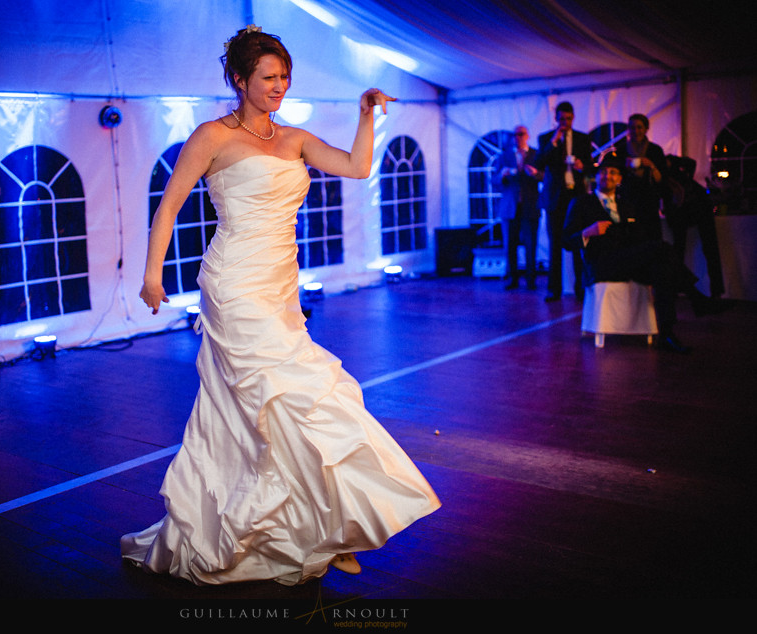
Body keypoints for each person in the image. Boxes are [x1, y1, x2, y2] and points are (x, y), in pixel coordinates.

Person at [121, 26, 440, 586]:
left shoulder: (294, 138)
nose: (279, 86)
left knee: (280, 408)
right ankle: (322, 525)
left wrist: (368, 114)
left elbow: (357, 167)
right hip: (234, 285)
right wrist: (152, 276)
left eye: (285, 77)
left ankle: (319, 527)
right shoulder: (211, 137)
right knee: (288, 396)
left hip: (280, 289)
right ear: (240, 80)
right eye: (268, 77)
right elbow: (168, 205)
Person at [563, 153, 719, 353]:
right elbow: (566, 241)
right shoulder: (581, 203)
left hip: (628, 261)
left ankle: (667, 332)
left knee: (661, 265)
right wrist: (587, 232)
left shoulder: (627, 205)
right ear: (597, 177)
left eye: (612, 173)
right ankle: (696, 298)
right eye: (603, 172)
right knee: (662, 248)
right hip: (602, 264)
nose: (607, 176)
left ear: (619, 179)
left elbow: (639, 238)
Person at [537, 101, 594, 302]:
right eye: (561, 119)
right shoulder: (546, 138)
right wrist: (554, 140)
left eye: (568, 119)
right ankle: (554, 289)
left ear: (573, 118)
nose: (565, 122)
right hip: (555, 198)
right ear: (556, 119)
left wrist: (582, 166)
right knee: (555, 245)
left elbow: (590, 167)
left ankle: (581, 287)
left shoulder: (582, 138)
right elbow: (540, 162)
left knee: (579, 242)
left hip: (576, 196)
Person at [662, 154, 726, 298]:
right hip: (684, 210)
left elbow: (691, 163)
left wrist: (673, 161)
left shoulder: (672, 170)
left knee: (707, 248)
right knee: (680, 250)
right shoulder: (662, 176)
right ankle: (679, 289)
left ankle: (715, 290)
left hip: (697, 206)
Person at [495, 125, 541, 289]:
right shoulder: (504, 156)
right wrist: (502, 175)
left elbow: (545, 176)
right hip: (510, 207)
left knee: (531, 244)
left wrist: (535, 173)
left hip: (529, 205)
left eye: (521, 134)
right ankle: (512, 278)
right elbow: (494, 181)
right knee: (510, 245)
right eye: (515, 135)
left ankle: (531, 279)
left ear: (527, 136)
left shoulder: (536, 154)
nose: (518, 137)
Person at [614, 114, 667, 241]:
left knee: (651, 237)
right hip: (628, 200)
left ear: (646, 129)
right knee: (631, 238)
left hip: (649, 201)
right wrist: (623, 167)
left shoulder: (655, 150)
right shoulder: (621, 151)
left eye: (639, 127)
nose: (635, 131)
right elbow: (615, 179)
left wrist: (651, 165)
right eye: (632, 127)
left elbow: (661, 179)